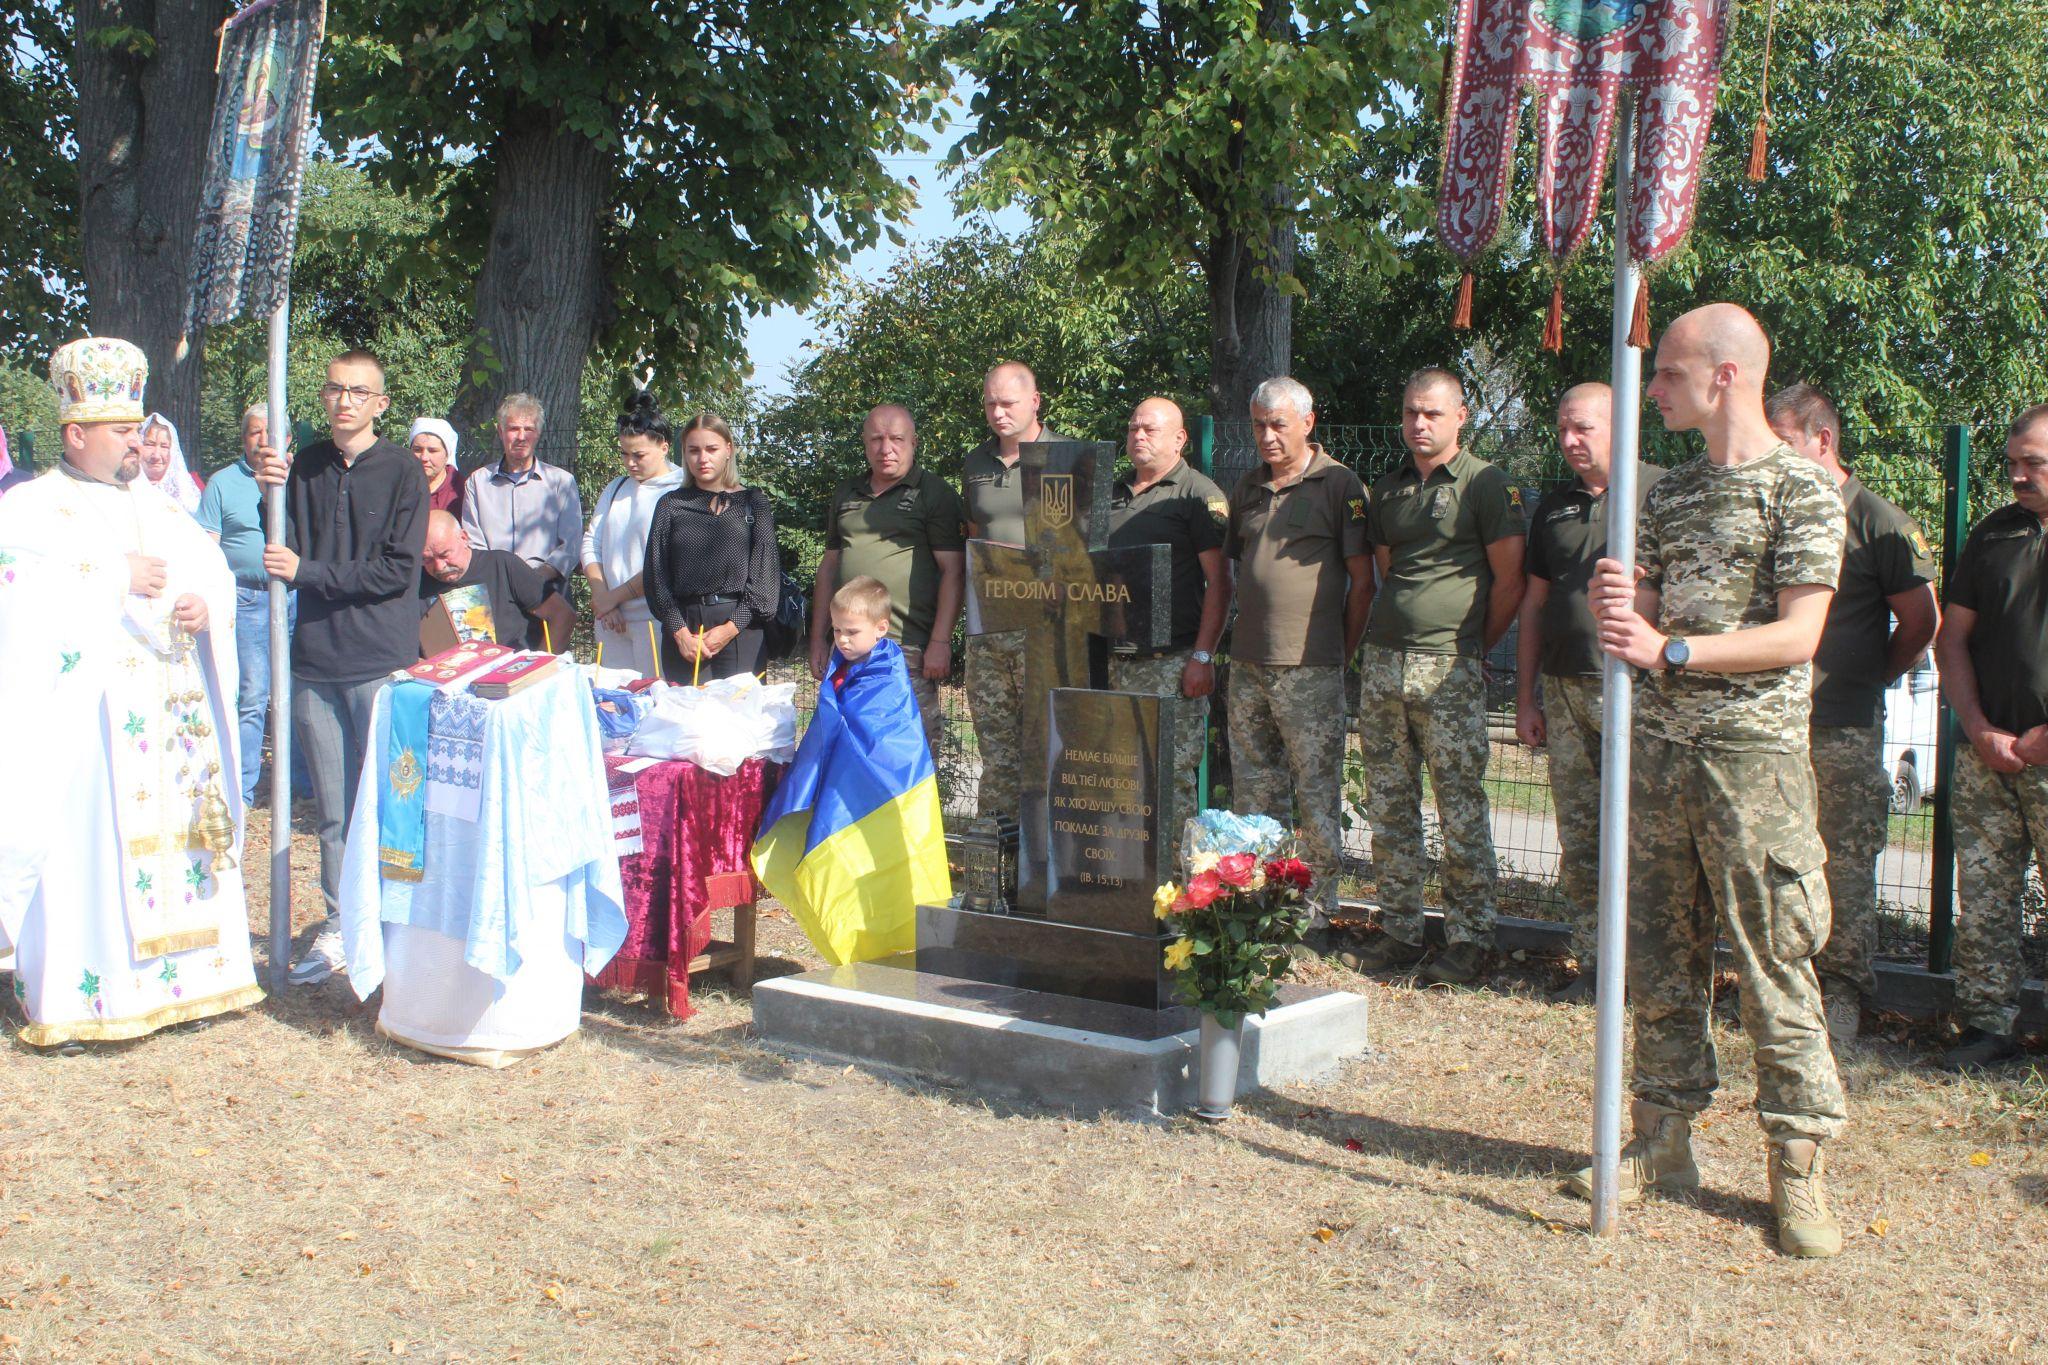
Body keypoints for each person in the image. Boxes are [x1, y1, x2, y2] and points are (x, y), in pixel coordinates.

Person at [1569, 303, 1847, 1260]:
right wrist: (1623, 603)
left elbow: (1798, 634)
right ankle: (1664, 1136)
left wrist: (1670, 647)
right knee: (1656, 952)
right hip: (1661, 755)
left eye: (1668, 374)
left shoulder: (1804, 491)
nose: (1653, 390)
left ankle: (1798, 1161)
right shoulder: (1669, 494)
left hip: (1753, 766)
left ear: (1725, 375)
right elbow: (1636, 616)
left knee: (1774, 959)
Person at [0, 337, 262, 1048]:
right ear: (76, 432)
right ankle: (92, 998)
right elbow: (17, 604)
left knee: (183, 843)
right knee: (93, 849)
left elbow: (211, 571)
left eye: (139, 429)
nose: (137, 443)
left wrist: (204, 604)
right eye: (122, 431)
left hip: (171, 710)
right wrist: (113, 577)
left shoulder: (161, 503)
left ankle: (197, 979)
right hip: (87, 718)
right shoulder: (28, 509)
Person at [1767, 383, 1939, 1045]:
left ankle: (1841, 990)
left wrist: (1868, 677)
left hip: (1843, 724)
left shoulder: (1877, 521)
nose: (1774, 462)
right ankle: (1788, 987)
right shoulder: (1776, 509)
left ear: (1822, 439)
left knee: (1843, 862)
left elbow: (1921, 620)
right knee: (1776, 859)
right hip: (1776, 721)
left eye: (1785, 446)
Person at [252, 349, 429, 985]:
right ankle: (339, 923)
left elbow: (395, 569)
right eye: (335, 390)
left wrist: (312, 574)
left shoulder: (405, 471)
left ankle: (393, 925)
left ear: (381, 403)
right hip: (316, 660)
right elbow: (281, 541)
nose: (345, 401)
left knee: (383, 802)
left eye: (359, 392)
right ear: (324, 398)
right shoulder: (305, 466)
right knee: (331, 808)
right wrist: (266, 487)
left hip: (379, 658)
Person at [1348, 369, 1525, 985]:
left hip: (1449, 669)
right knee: (1390, 804)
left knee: (1459, 806)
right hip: (1384, 663)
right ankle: (1399, 929)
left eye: (1431, 414)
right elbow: (1387, 570)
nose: (1418, 425)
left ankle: (1470, 938)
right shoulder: (1388, 490)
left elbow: (1511, 582)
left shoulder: (1486, 484)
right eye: (1409, 414)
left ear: (1461, 417)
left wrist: (1475, 646)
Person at [1515, 383, 1664, 1002]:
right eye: (1563, 430)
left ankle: (1653, 972)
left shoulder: (1662, 494)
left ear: (1621, 424)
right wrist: (1527, 696)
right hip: (1565, 689)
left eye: (1585, 429)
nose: (1571, 442)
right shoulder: (1553, 506)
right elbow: (1535, 602)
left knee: (1645, 839)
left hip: (1640, 692)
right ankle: (1598, 967)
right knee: (1581, 838)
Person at [1223, 376, 1373, 938]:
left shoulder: (1339, 485)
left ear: (1308, 423)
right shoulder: (1247, 488)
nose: (1267, 436)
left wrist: (1339, 652)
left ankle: (1317, 911)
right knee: (1254, 792)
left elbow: (1363, 583)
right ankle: (1260, 900)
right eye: (1259, 425)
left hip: (1311, 667)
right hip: (1248, 664)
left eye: (1278, 424)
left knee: (1315, 790)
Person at [1932, 403, 2048, 1072]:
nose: (2017, 475)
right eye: (2012, 463)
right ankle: (1987, 1026)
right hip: (1989, 755)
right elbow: (1952, 637)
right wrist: (1976, 728)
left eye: (2033, 462)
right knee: (1984, 897)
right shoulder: (1994, 534)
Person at [753, 576, 951, 965]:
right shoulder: (845, 666)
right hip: (846, 790)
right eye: (836, 630)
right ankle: (859, 946)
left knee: (879, 865)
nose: (842, 640)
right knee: (851, 867)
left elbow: (885, 739)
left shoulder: (886, 673)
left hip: (880, 795)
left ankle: (886, 943)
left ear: (881, 628)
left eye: (851, 632)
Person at [809, 405, 966, 751]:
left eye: (896, 439)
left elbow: (953, 570)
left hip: (904, 647)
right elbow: (829, 567)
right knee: (847, 748)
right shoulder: (846, 493)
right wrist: (819, 638)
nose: (886, 448)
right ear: (865, 444)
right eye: (877, 439)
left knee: (907, 750)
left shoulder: (934, 493)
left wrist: (940, 641)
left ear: (914, 442)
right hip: (846, 645)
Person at [1107, 396, 1232, 824]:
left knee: (1169, 784)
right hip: (1113, 663)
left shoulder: (1199, 495)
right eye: (1132, 428)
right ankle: (1124, 883)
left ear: (1180, 439)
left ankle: (1174, 889)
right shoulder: (1111, 493)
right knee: (1118, 780)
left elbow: (1221, 582)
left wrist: (1202, 656)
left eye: (1150, 429)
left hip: (1172, 663)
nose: (1138, 436)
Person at [961, 361, 1077, 816]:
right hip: (989, 628)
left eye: (1008, 403)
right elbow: (973, 535)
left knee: (1054, 751)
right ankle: (998, 874)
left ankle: (1054, 872)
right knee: (998, 755)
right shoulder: (975, 463)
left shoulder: (1068, 457)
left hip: (1048, 630)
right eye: (990, 403)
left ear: (1035, 401)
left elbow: (1088, 548)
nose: (998, 412)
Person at [196, 402, 297, 806]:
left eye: (271, 432)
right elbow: (207, 544)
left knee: (299, 690)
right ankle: (244, 788)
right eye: (255, 432)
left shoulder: (302, 479)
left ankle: (300, 785)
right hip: (248, 597)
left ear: (288, 440)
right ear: (244, 439)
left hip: (296, 594)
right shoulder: (223, 483)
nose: (263, 440)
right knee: (254, 694)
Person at [642, 412, 780, 682]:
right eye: (694, 450)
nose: (702, 458)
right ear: (684, 453)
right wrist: (680, 633)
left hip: (742, 628)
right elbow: (656, 576)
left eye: (711, 449)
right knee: (687, 720)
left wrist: (730, 629)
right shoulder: (670, 505)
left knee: (740, 720)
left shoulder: (753, 502)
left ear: (728, 450)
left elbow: (765, 579)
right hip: (684, 629)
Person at [458, 392, 583, 646]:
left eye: (529, 429)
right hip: (496, 598)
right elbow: (474, 545)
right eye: (514, 428)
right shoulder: (477, 483)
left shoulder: (561, 482)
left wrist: (534, 580)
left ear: (538, 433)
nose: (521, 436)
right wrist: (505, 582)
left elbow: (570, 544)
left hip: (548, 595)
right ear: (500, 431)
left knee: (544, 673)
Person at [583, 392, 688, 679]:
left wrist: (614, 597)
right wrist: (603, 598)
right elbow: (591, 543)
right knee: (613, 705)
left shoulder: (680, 490)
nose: (630, 463)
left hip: (655, 621)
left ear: (664, 447)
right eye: (624, 454)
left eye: (638, 455)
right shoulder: (617, 487)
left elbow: (667, 561)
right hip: (611, 620)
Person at [420, 510, 575, 651]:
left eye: (444, 554)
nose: (439, 566)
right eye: (427, 560)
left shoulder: (501, 565)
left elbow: (562, 615)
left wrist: (542, 664)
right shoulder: (418, 584)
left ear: (464, 538)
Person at [139, 411, 204, 514]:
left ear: (173, 451)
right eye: (149, 444)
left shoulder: (189, 490)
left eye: (164, 446)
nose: (156, 455)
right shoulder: (124, 488)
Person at [409, 417, 465, 518]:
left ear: (447, 454)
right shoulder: (399, 485)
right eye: (417, 450)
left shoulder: (462, 491)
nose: (424, 457)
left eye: (433, 451)